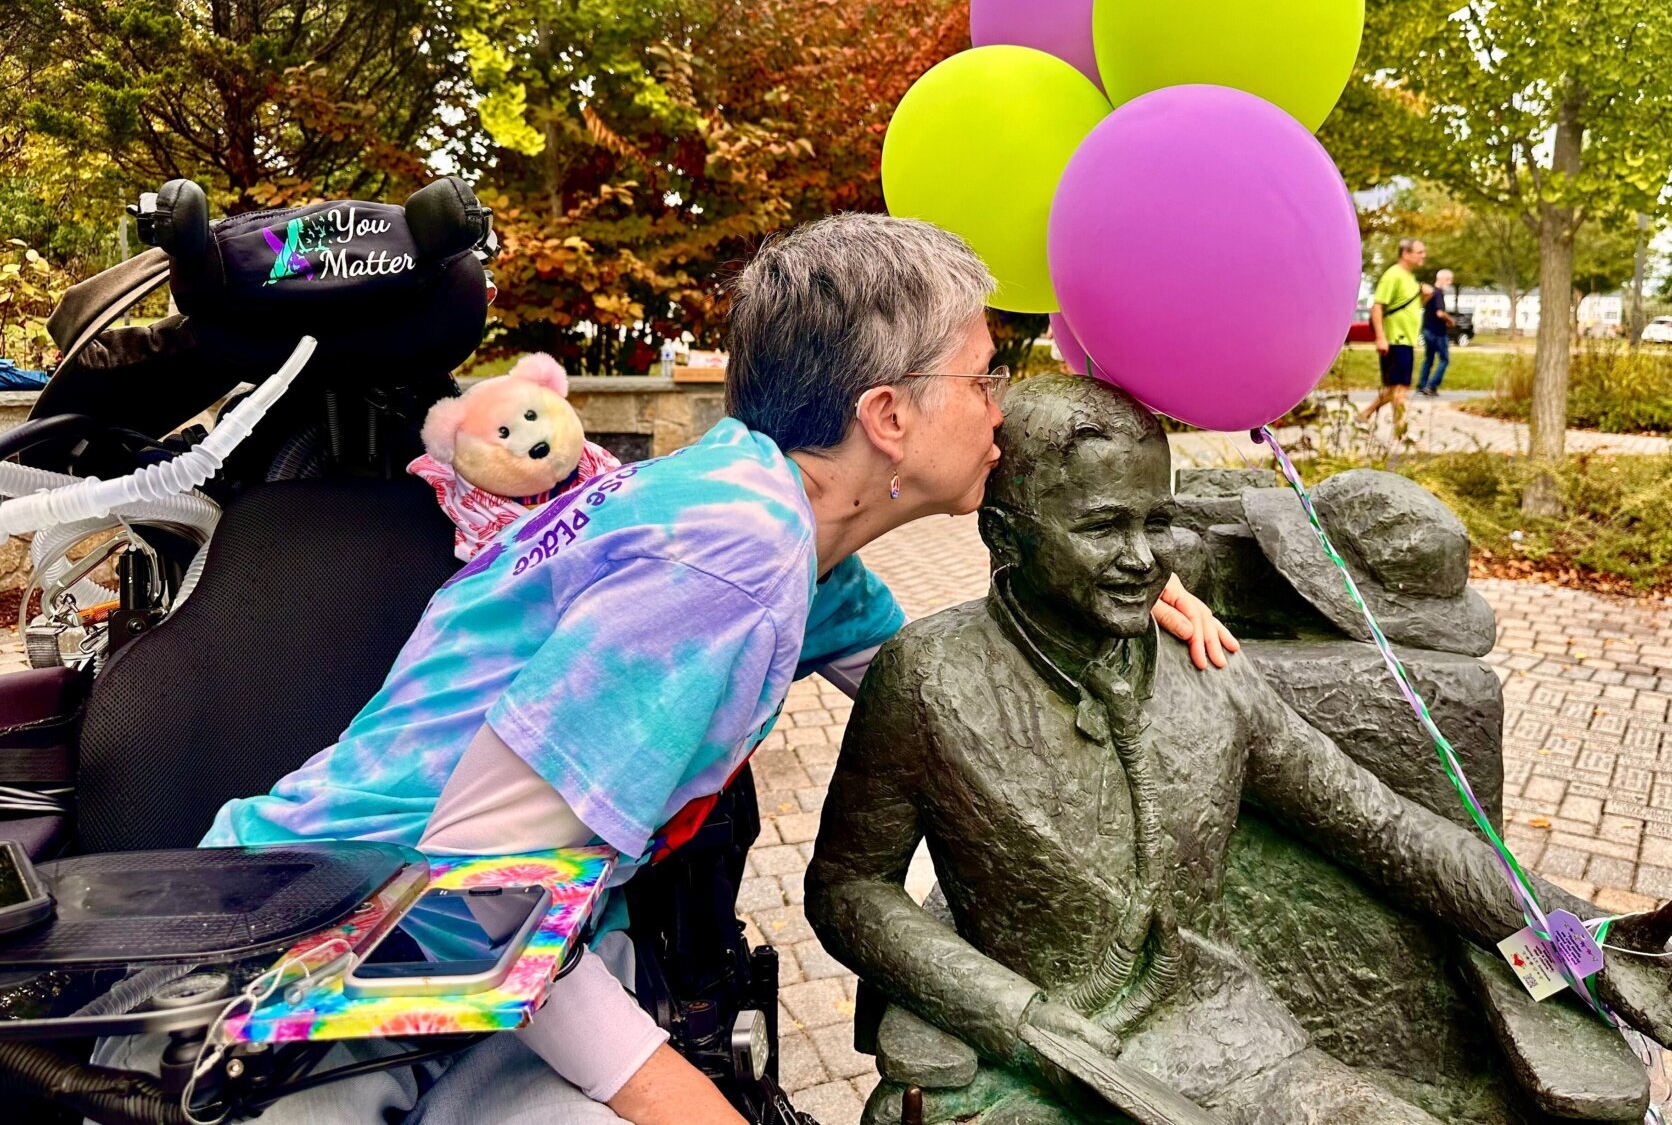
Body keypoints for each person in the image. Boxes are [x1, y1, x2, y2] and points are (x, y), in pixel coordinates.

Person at [128, 216, 1237, 1125]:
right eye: (985, 376)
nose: (1003, 411)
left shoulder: (772, 521)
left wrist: (1101, 606)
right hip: (323, 966)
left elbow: (942, 696)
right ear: (888, 416)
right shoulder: (733, 561)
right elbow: (488, 882)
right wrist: (692, 1106)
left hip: (466, 963)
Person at [807, 376, 1672, 1125]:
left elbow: (1389, 832)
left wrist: (1588, 944)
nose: (1143, 559)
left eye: (1160, 523)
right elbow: (848, 887)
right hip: (1034, 1070)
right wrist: (1013, 1016)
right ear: (1004, 536)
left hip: (1236, 1047)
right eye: (1104, 527)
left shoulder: (1207, 670)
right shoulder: (925, 678)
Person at [1358, 237, 1425, 433]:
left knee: (1396, 388)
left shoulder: (1410, 278)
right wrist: (1381, 337)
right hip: (1395, 339)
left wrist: (1425, 298)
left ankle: (1366, 414)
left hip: (1407, 339)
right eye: (1420, 252)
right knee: (1400, 388)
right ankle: (1399, 432)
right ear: (1406, 253)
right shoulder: (1393, 275)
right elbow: (1377, 307)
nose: (1424, 256)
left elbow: (1409, 308)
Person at [1417, 268, 1454, 396]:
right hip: (1438, 332)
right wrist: (1450, 321)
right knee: (1444, 359)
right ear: (1441, 279)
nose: (1450, 282)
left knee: (1429, 359)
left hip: (1427, 330)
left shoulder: (1430, 293)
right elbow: (1440, 313)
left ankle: (1422, 385)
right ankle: (1431, 386)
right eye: (1448, 279)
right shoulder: (1438, 294)